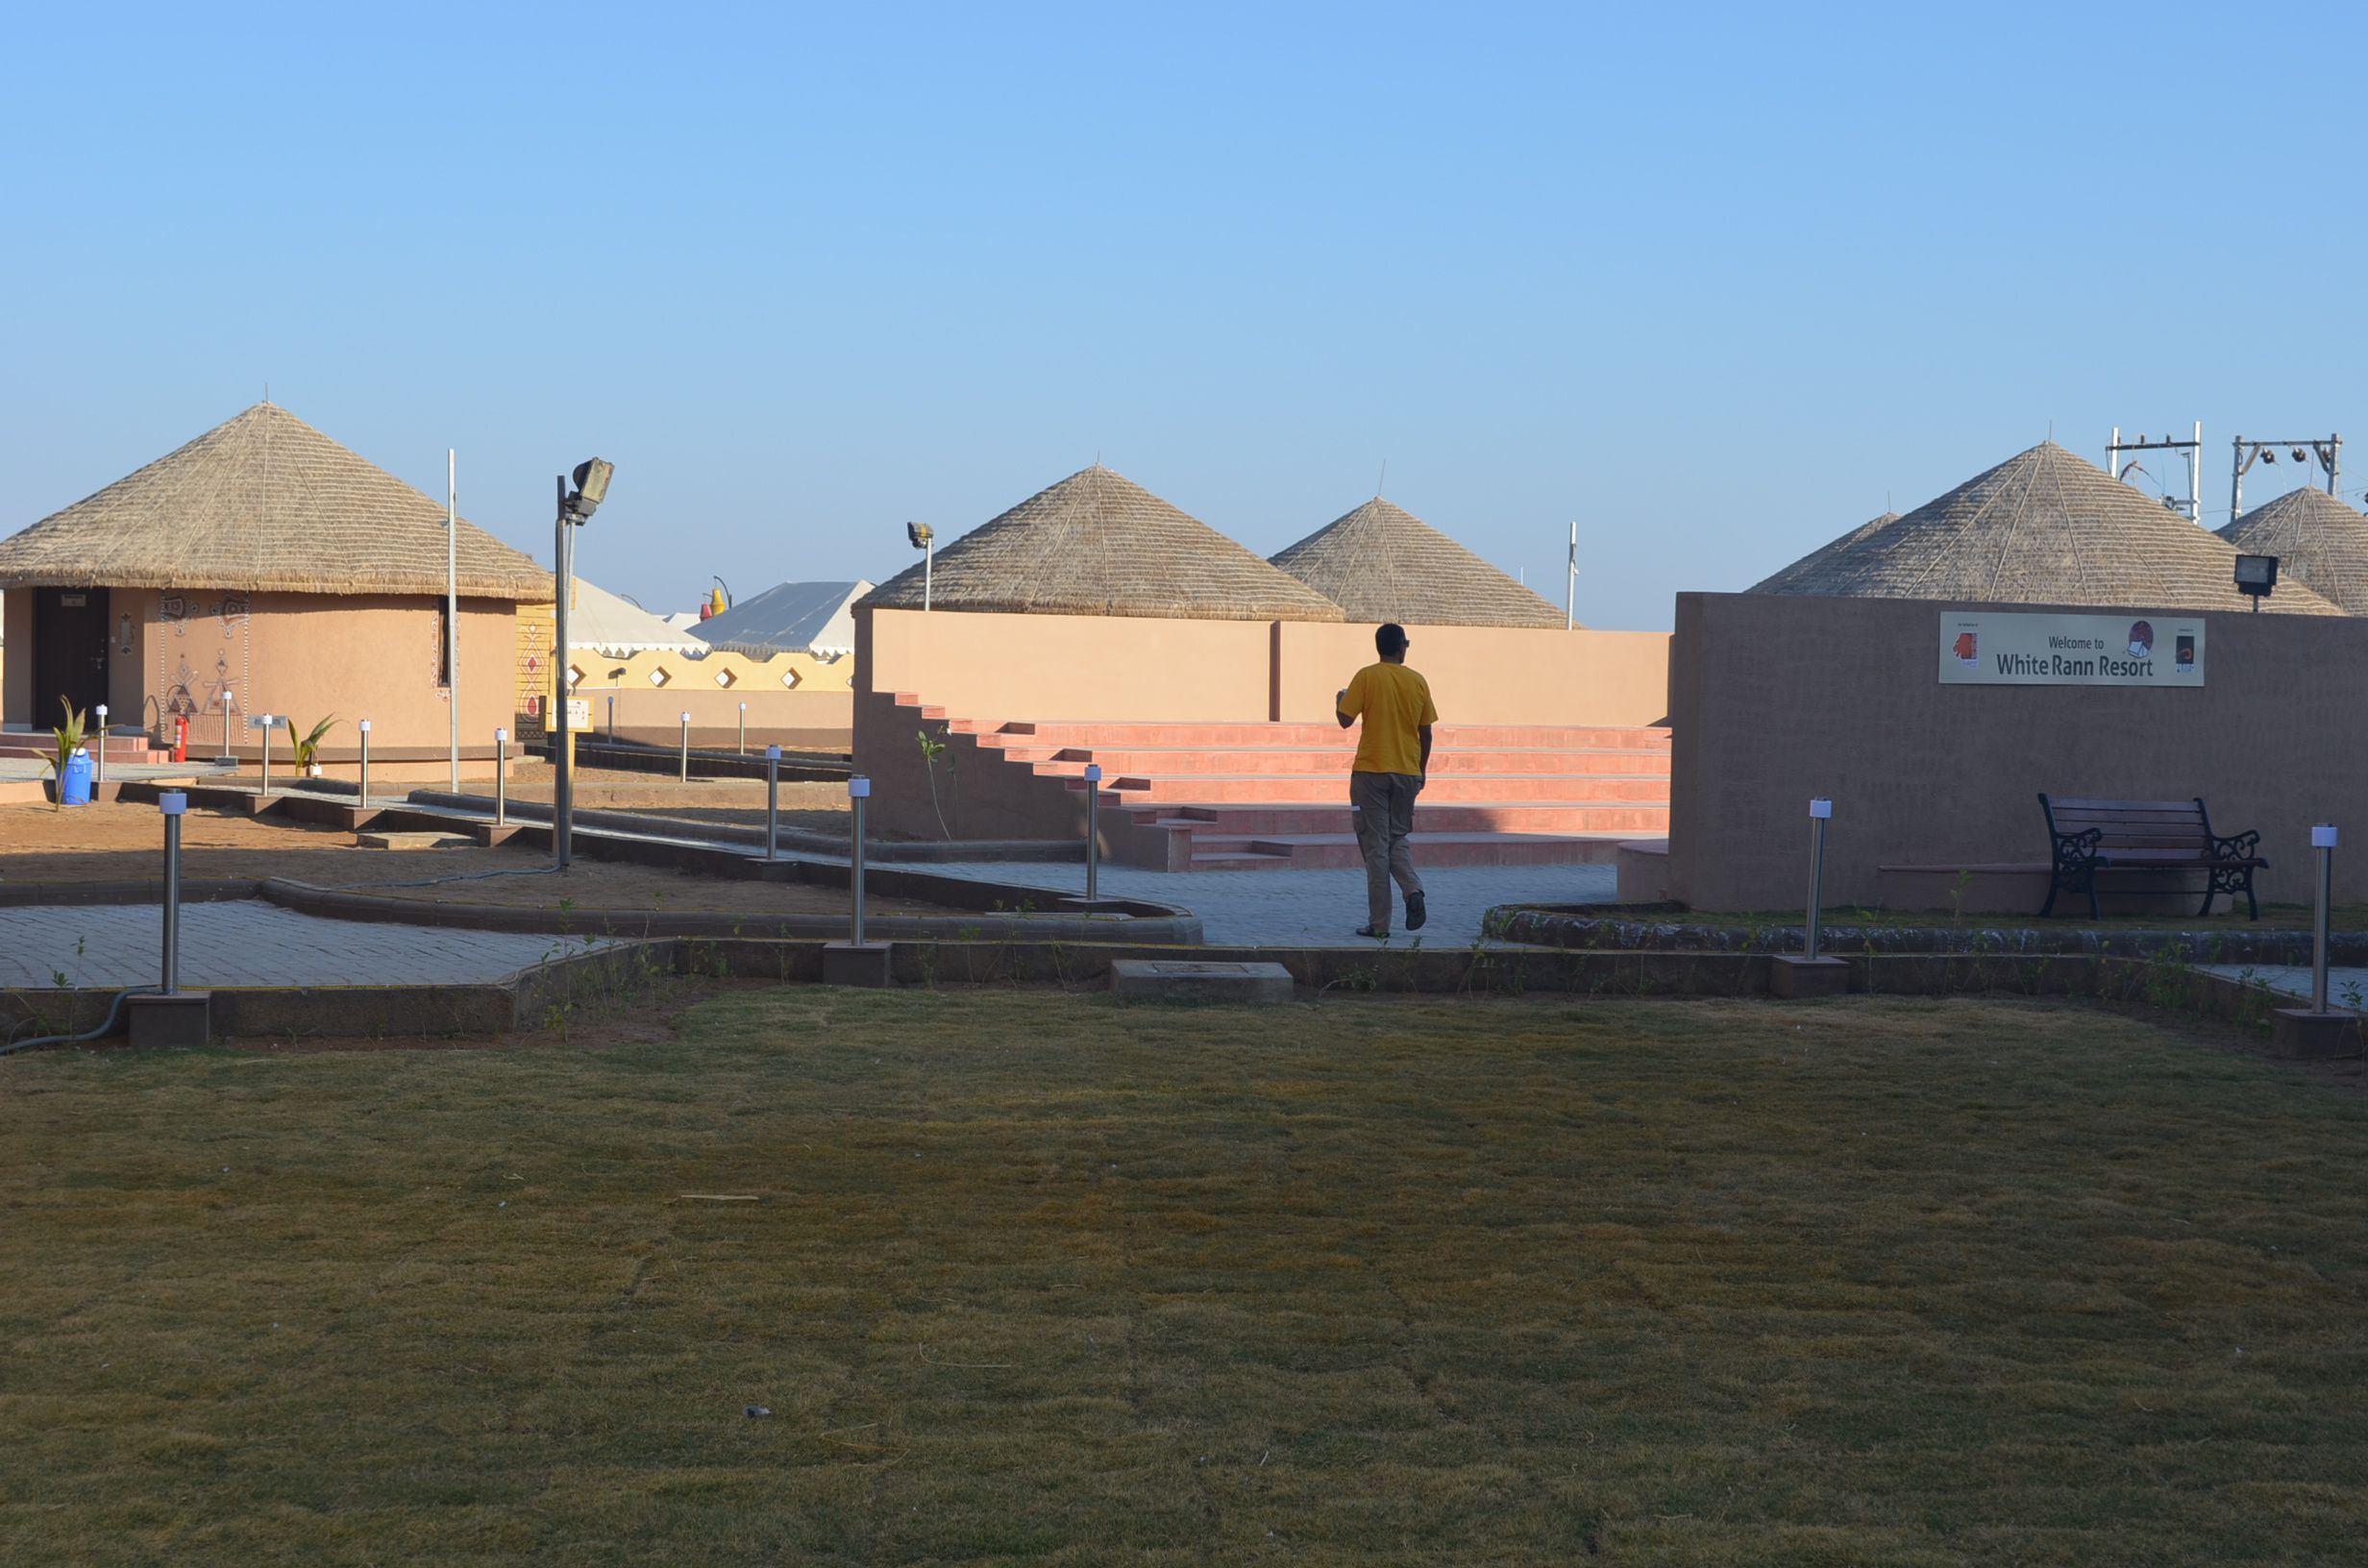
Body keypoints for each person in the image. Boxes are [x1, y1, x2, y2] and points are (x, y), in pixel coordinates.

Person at [1335, 623, 1436, 939]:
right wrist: (1421, 770)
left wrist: (1340, 698)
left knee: (1376, 846)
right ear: (1401, 647)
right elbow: (1426, 733)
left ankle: (1379, 924)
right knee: (1396, 838)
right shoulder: (1418, 681)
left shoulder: (1367, 676)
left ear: (1379, 647)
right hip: (1407, 773)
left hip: (1371, 773)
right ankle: (1413, 890)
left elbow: (1345, 719)